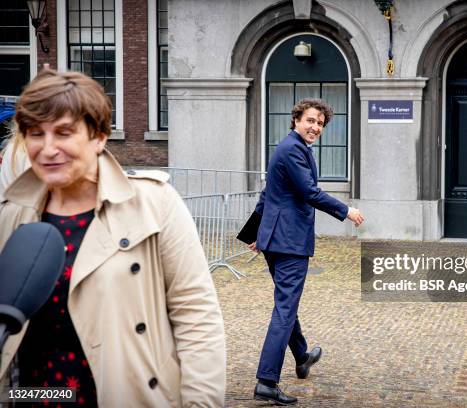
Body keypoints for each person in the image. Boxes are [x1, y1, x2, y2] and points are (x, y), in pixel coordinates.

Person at [0, 70, 226, 407]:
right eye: (35, 134)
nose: (48, 149)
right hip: (38, 394)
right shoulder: (11, 214)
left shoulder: (154, 204)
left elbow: (196, 315)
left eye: (64, 133)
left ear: (99, 137)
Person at [249, 98, 364, 405]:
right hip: (289, 241)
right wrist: (346, 210)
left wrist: (254, 232)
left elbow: (267, 193)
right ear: (296, 119)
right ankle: (266, 381)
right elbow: (309, 192)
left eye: (320, 124)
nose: (315, 127)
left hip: (276, 240)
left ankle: (302, 356)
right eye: (310, 121)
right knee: (284, 309)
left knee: (286, 302)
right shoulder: (293, 150)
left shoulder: (287, 148)